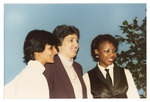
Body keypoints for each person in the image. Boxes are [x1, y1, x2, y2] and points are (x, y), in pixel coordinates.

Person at [4, 30, 59, 99]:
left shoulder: (27, 74)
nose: (56, 52)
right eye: (51, 48)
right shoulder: (34, 77)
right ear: (37, 51)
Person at [83, 34, 140, 98]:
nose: (112, 55)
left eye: (114, 51)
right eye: (107, 51)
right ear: (97, 52)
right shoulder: (87, 77)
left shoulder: (125, 73)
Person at [43, 25, 87, 98]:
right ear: (59, 44)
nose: (76, 44)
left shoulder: (78, 67)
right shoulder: (49, 66)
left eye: (77, 40)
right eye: (71, 40)